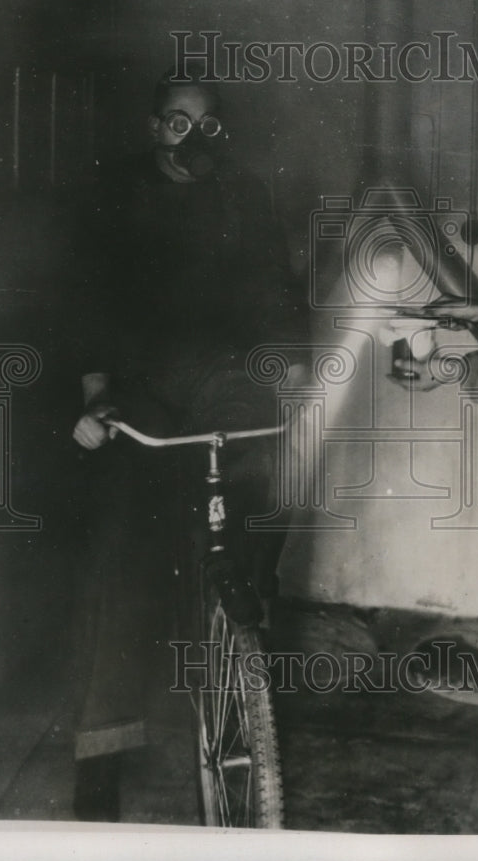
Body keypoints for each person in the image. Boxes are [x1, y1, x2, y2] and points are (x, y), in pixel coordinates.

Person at [69, 66, 308, 821]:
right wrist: (95, 403)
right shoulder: (114, 196)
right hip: (143, 383)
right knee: (126, 557)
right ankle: (102, 756)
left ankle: (239, 632)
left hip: (227, 375)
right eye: (177, 121)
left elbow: (277, 289)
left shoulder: (245, 194)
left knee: (267, 482)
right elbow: (87, 305)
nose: (192, 138)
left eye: (206, 125)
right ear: (153, 127)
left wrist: (293, 370)